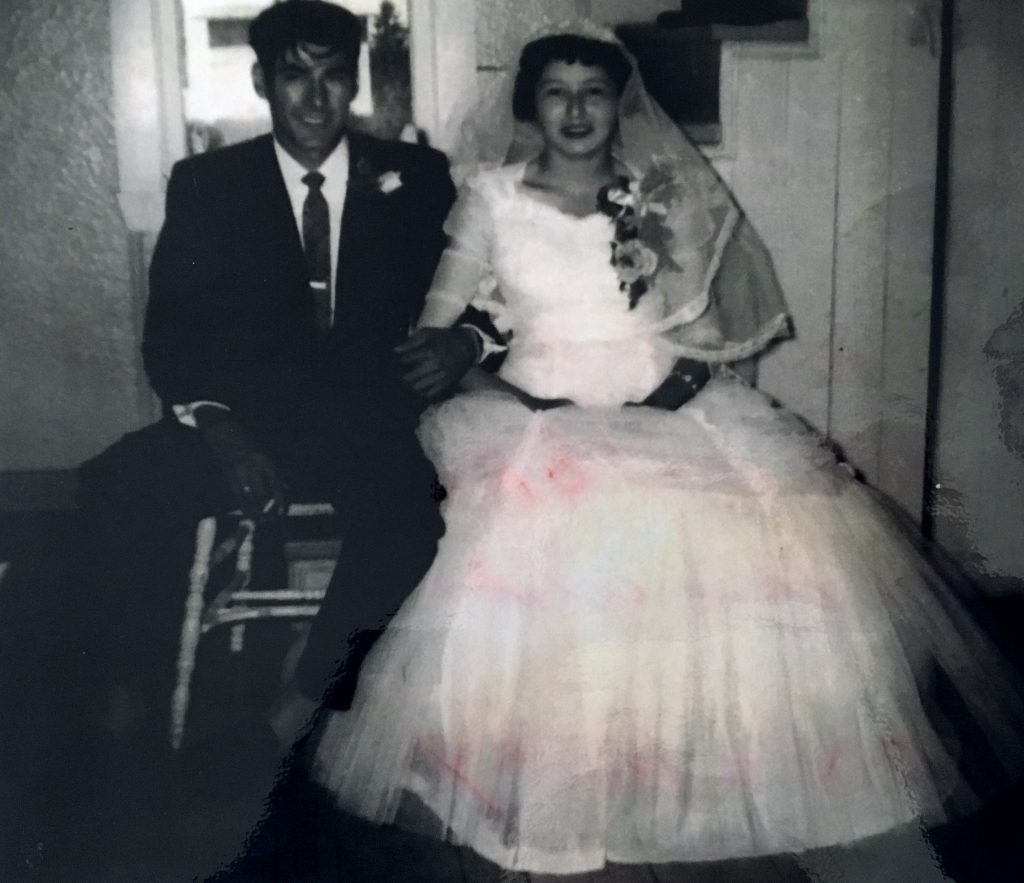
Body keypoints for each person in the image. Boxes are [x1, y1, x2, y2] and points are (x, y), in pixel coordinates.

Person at [310, 24, 1024, 875]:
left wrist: (679, 385)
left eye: (594, 92)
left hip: (668, 399)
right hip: (541, 408)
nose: (576, 110)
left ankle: (725, 768)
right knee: (574, 518)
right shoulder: (492, 197)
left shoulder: (660, 190)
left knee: (771, 527)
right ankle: (568, 774)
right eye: (556, 92)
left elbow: (709, 325)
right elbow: (444, 328)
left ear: (621, 105)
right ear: (530, 107)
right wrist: (490, 372)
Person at [77, 0, 489, 764]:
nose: (315, 98)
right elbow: (169, 336)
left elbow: (495, 284)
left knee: (414, 517)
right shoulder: (207, 185)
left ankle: (297, 704)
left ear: (355, 84)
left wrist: (468, 340)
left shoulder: (416, 178)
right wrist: (223, 430)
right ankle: (122, 685)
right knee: (113, 484)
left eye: (334, 77)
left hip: (368, 423)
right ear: (262, 81)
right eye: (294, 76)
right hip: (246, 421)